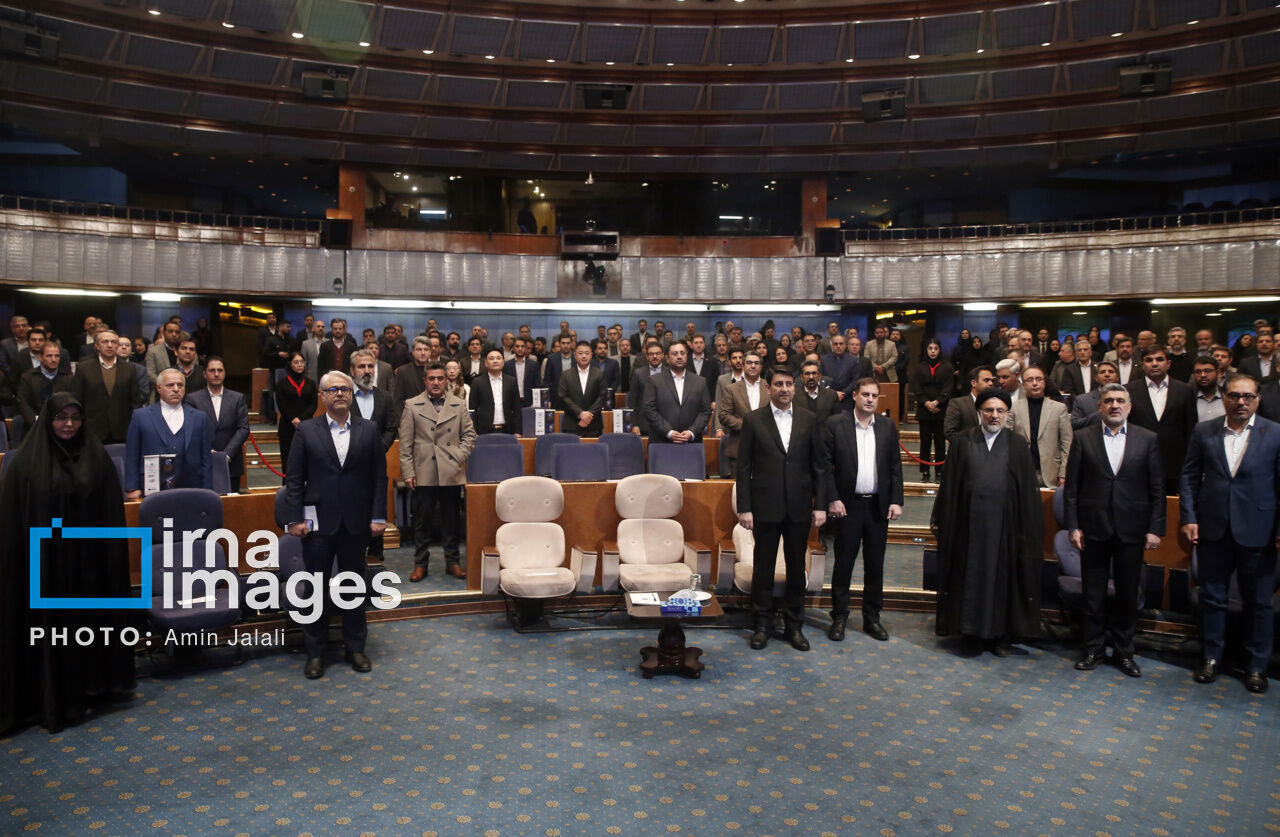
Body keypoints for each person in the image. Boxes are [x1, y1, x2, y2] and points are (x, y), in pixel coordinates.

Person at [0, 393, 135, 734]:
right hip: (45, 568)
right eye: (61, 417)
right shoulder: (25, 465)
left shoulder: (97, 457)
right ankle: (50, 698)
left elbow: (109, 515)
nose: (69, 424)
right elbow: (14, 526)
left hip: (89, 566)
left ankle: (93, 688)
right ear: (48, 419)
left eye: (75, 417)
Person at [1179, 373, 1280, 694]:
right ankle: (1211, 658)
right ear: (1224, 398)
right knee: (1213, 598)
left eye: (1248, 396)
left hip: (1260, 530)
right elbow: (1189, 477)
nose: (1241, 402)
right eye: (1235, 395)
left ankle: (1256, 666)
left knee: (1259, 603)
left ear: (1258, 400)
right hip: (1213, 528)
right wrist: (1188, 517)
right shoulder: (1204, 430)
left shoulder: (1275, 433)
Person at [283, 371, 388, 679]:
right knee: (315, 587)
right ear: (322, 395)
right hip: (317, 524)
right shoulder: (306, 430)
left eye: (345, 389)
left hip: (356, 522)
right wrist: (294, 518)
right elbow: (294, 479)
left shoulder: (369, 430)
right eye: (333, 389)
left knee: (354, 585)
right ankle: (315, 652)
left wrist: (378, 516)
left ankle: (355, 647)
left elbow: (379, 478)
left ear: (352, 394)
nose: (339, 393)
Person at [931, 388, 1044, 656]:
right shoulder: (962, 441)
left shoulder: (1017, 444)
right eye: (989, 410)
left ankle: (999, 636)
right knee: (969, 577)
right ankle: (969, 633)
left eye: (1000, 411)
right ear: (979, 412)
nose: (994, 415)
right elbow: (951, 486)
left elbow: (1026, 491)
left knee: (1003, 579)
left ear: (1007, 413)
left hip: (1005, 529)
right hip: (968, 528)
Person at [1064, 384, 1165, 678]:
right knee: (1093, 594)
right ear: (1100, 407)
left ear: (1129, 407)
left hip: (1133, 529)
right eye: (1108, 401)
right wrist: (1073, 525)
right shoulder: (1083, 437)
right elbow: (1072, 488)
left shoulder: (1148, 439)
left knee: (1127, 595)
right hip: (1092, 528)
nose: (1114, 405)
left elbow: (1157, 489)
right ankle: (1093, 649)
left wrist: (1155, 528)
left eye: (1120, 401)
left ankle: (1124, 652)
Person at [735, 365, 828, 651]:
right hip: (765, 507)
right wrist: (745, 508)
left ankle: (794, 626)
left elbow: (819, 466)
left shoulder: (809, 419)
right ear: (768, 387)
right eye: (778, 384)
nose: (784, 389)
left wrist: (820, 504)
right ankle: (762, 624)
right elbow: (744, 467)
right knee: (763, 568)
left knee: (797, 568)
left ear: (794, 387)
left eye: (789, 384)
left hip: (800, 507)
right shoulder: (753, 420)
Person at [824, 378, 904, 642]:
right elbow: (825, 465)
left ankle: (872, 618)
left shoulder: (887, 426)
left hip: (878, 507)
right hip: (848, 506)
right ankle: (839, 617)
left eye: (874, 396)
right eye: (865, 394)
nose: (870, 399)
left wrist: (896, 500)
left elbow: (895, 465)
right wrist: (832, 498)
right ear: (855, 396)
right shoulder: (837, 423)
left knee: (875, 565)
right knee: (843, 564)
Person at [400, 362, 476, 582]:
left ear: (446, 380)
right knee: (423, 521)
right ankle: (420, 564)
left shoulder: (458, 404)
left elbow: (469, 435)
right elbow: (405, 444)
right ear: (425, 381)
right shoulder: (411, 405)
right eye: (431, 379)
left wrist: (458, 456)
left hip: (450, 470)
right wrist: (408, 472)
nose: (436, 382)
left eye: (440, 378)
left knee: (451, 521)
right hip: (423, 470)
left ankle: (453, 563)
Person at [124, 368, 213, 499]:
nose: (176, 389)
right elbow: (132, 454)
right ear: (159, 388)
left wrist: (207, 490)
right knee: (162, 514)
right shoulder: (141, 416)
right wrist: (132, 487)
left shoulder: (199, 417)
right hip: (152, 487)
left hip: (191, 486)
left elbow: (206, 458)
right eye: (170, 385)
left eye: (180, 385)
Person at [1126, 344, 1198, 496]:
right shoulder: (1129, 390)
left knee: (1172, 508)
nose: (1154, 364)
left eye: (1159, 359)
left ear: (1168, 363)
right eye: (1149, 360)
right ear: (1142, 365)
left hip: (1175, 465)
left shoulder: (1185, 390)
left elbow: (1191, 429)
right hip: (1138, 463)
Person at [184, 357, 249, 492]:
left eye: (220, 370)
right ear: (204, 374)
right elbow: (190, 429)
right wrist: (208, 452)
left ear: (225, 373)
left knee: (231, 503)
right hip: (203, 461)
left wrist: (226, 454)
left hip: (231, 462)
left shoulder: (237, 398)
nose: (216, 374)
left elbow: (243, 428)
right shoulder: (192, 399)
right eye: (212, 370)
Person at [73, 330, 142, 445]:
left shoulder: (129, 369)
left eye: (114, 342)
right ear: (96, 346)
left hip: (122, 431)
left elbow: (135, 402)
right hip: (92, 431)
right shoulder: (83, 368)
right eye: (105, 342)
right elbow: (77, 400)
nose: (110, 345)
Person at [1009, 365, 1072, 488]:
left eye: (1039, 379)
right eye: (1030, 380)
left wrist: (1063, 473)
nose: (1035, 383)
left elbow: (1067, 443)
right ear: (1023, 384)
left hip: (1051, 472)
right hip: (1021, 472)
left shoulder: (1059, 408)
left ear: (1044, 382)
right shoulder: (1014, 408)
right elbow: (1007, 441)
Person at [643, 340, 712, 446]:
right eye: (675, 354)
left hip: (691, 443)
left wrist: (691, 432)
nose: (679, 357)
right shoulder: (654, 381)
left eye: (682, 353)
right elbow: (649, 409)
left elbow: (706, 411)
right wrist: (669, 432)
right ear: (667, 358)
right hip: (662, 442)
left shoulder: (700, 381)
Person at [716, 352, 765, 474]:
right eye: (749, 362)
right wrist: (745, 425)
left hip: (767, 449)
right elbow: (723, 415)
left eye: (756, 363)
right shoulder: (731, 389)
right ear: (743, 365)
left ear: (761, 366)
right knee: (739, 486)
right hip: (739, 447)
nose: (753, 366)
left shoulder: (769, 387)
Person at [913, 339, 953, 482]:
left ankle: (939, 472)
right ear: (926, 350)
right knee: (925, 442)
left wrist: (937, 402)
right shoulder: (920, 367)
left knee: (940, 442)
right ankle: (925, 472)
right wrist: (926, 403)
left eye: (936, 348)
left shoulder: (947, 367)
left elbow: (949, 386)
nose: (933, 351)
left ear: (939, 350)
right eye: (930, 348)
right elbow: (917, 387)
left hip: (940, 410)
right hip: (924, 410)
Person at [275, 352, 317, 477]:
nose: (299, 365)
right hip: (287, 427)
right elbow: (281, 405)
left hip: (307, 426)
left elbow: (313, 405)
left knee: (307, 460)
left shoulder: (310, 383)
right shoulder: (281, 383)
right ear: (290, 364)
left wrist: (301, 419)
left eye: (302, 362)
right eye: (296, 362)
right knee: (288, 461)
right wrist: (293, 419)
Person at [16, 342, 75, 427]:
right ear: (40, 357)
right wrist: (34, 423)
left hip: (61, 424)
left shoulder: (68, 378)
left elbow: (71, 404)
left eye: (57, 356)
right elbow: (23, 402)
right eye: (49, 356)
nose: (53, 359)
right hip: (33, 423)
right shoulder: (28, 377)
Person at [558, 341, 607, 438]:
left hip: (593, 425)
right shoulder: (566, 374)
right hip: (572, 424)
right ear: (575, 355)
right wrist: (580, 413)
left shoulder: (599, 374)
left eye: (587, 353)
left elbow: (602, 396)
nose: (584, 356)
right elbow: (563, 397)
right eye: (580, 353)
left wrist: (589, 415)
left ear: (591, 355)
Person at [470, 348, 520, 435]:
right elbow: (472, 409)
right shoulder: (477, 382)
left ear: (503, 362)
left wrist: (517, 431)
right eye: (491, 358)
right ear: (486, 363)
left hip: (507, 430)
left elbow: (517, 408)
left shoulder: (511, 381)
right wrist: (474, 432)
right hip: (484, 431)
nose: (495, 361)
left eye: (498, 358)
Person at [943, 365, 995, 444]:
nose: (991, 383)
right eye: (986, 380)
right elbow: (950, 433)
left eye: (992, 380)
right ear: (974, 383)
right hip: (966, 449)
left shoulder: (995, 404)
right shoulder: (958, 404)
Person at [793, 359, 839, 433]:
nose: (811, 377)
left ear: (820, 376)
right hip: (801, 437)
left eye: (814, 373)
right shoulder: (793, 395)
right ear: (801, 377)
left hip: (825, 437)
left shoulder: (831, 395)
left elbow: (837, 421)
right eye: (807, 374)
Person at [504, 336, 541, 407]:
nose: (520, 349)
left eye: (522, 346)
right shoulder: (507, 365)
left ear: (525, 348)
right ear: (513, 348)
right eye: (517, 346)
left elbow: (537, 385)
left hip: (529, 401)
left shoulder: (533, 365)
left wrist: (535, 401)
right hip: (512, 401)